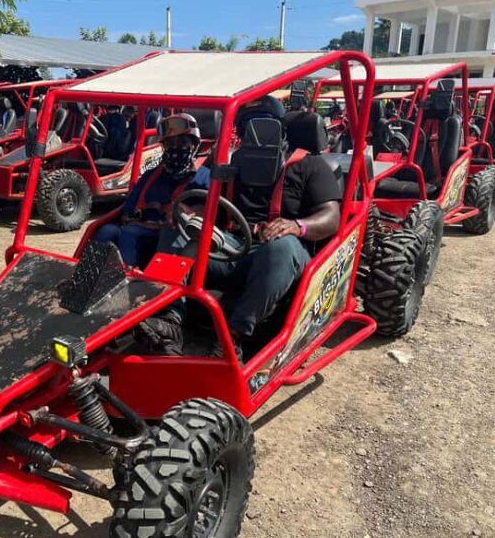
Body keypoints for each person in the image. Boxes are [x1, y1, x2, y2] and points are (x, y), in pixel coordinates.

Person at [138, 96, 342, 360]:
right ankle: (170, 319)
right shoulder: (228, 163)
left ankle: (233, 338)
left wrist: (296, 226)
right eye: (248, 126)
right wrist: (190, 213)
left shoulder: (308, 165)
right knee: (177, 228)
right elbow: (203, 201)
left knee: (281, 247)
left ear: (280, 128)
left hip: (280, 253)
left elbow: (332, 217)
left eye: (264, 126)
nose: (255, 133)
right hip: (230, 246)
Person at [94, 113, 210, 268]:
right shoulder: (152, 175)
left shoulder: (205, 178)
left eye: (182, 142)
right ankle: (92, 278)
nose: (176, 147)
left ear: (194, 146)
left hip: (175, 236)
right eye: (170, 144)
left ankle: (128, 281)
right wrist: (135, 220)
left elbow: (207, 217)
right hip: (142, 227)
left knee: (129, 232)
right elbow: (128, 210)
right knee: (106, 230)